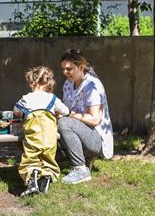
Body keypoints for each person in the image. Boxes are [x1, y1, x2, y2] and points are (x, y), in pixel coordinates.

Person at [58, 49, 114, 184]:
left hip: (97, 139)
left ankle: (80, 169)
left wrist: (67, 114)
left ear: (81, 67)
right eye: (63, 69)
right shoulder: (68, 83)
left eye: (69, 69)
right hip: (81, 130)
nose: (65, 72)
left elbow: (95, 120)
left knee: (64, 122)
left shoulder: (93, 86)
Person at [13, 66, 70, 197]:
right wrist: (56, 113)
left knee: (30, 158)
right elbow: (66, 112)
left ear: (32, 83)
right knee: (48, 157)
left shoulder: (25, 98)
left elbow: (16, 111)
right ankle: (47, 176)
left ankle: (32, 179)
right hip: (50, 137)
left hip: (33, 137)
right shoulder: (53, 98)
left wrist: (23, 114)